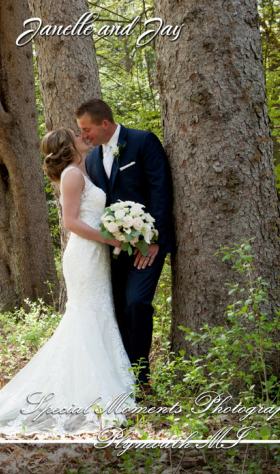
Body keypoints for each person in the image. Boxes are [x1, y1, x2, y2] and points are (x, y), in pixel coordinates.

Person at [0, 127, 135, 437]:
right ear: (69, 146)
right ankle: (90, 392)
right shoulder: (72, 175)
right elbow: (70, 222)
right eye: (79, 136)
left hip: (95, 254)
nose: (85, 137)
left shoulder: (84, 171)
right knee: (87, 315)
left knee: (99, 313)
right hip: (85, 255)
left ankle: (100, 384)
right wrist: (110, 239)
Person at [77, 98, 175, 395]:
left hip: (148, 245)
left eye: (87, 129)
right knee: (117, 308)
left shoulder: (143, 141)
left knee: (137, 303)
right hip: (113, 248)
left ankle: (142, 377)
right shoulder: (93, 159)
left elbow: (160, 189)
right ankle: (123, 378)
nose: (83, 136)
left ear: (104, 124)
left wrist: (154, 240)